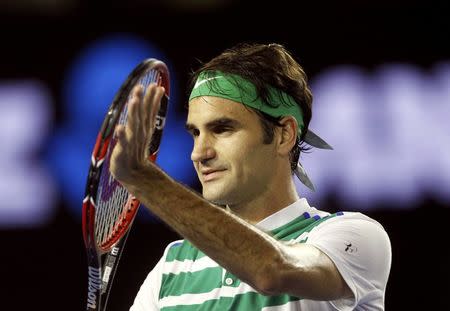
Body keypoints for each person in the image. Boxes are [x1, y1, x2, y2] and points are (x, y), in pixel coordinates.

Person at [110, 43, 392, 310]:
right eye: (195, 133)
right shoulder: (172, 266)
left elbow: (272, 270)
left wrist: (145, 180)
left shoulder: (355, 236)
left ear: (284, 135)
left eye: (222, 129)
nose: (199, 153)